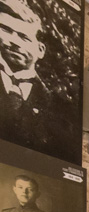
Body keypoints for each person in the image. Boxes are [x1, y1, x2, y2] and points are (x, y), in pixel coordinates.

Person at [0, 0, 76, 162]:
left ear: (40, 50)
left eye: (24, 37)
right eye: (5, 30)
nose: (13, 42)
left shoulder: (63, 109)